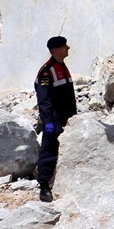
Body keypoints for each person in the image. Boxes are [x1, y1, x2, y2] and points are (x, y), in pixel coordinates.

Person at [34, 36, 76, 203]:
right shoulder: (46, 71)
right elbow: (44, 99)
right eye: (64, 46)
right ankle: (44, 185)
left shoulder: (62, 66)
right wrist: (48, 121)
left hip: (68, 117)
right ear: (55, 50)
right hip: (54, 119)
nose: (68, 48)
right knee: (49, 150)